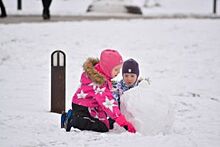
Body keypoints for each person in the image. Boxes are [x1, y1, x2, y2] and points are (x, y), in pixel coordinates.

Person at [62, 49, 136, 133]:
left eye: (119, 70)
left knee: (105, 123)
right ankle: (74, 120)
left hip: (83, 103)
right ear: (107, 68)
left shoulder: (98, 73)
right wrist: (123, 122)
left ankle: (72, 116)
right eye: (116, 70)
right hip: (84, 107)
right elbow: (109, 103)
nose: (118, 73)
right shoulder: (100, 84)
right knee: (102, 127)